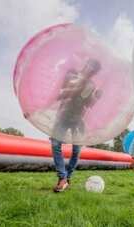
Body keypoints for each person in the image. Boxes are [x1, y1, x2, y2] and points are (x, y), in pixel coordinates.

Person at [51, 59, 102, 192]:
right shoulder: (71, 75)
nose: (90, 68)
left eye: (94, 68)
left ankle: (67, 177)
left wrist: (96, 98)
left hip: (78, 120)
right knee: (55, 145)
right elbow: (63, 93)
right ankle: (62, 177)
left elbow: (88, 104)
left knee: (76, 151)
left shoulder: (90, 85)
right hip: (63, 116)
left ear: (94, 73)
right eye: (90, 64)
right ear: (85, 64)